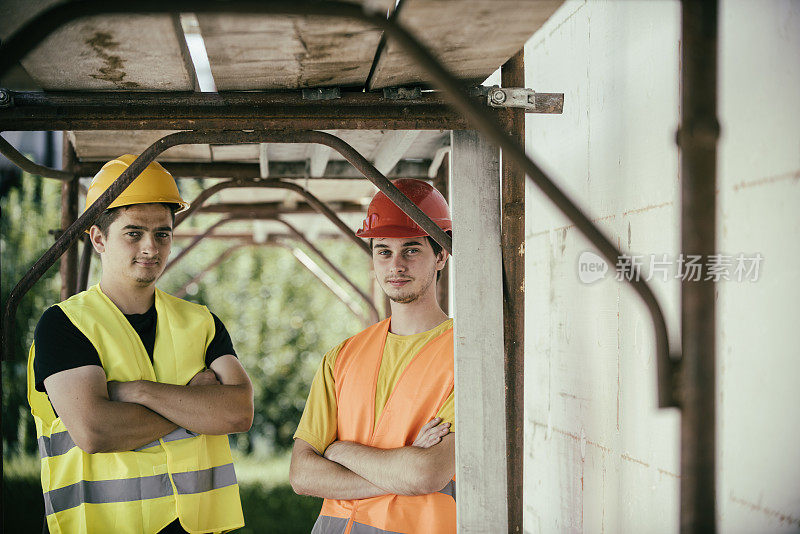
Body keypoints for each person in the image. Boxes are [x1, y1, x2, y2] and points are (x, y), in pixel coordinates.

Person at [26, 155, 253, 534]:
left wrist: (139, 392)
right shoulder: (64, 325)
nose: (151, 247)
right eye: (133, 233)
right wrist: (193, 406)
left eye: (162, 233)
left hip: (201, 527)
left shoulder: (201, 322)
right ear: (98, 238)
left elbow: (238, 413)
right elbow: (95, 431)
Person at [290, 179, 456, 534]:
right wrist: (400, 470)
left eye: (411, 250)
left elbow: (426, 473)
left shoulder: (467, 355)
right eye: (383, 251)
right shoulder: (342, 357)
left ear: (440, 254)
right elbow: (302, 475)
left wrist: (338, 451)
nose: (396, 265)